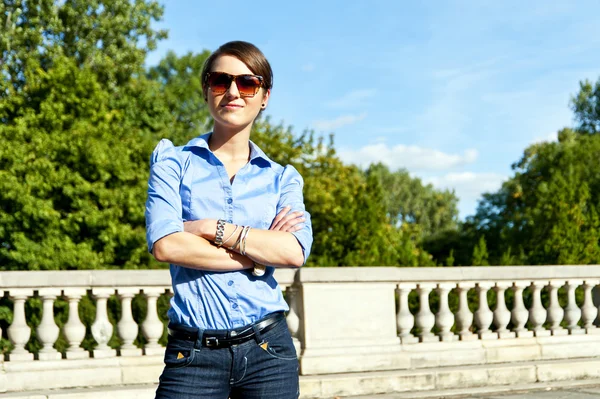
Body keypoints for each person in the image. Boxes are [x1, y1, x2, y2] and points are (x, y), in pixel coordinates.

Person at [145, 40, 313, 399]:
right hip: (193, 356)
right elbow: (166, 244)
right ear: (207, 91)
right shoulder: (172, 163)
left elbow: (293, 252)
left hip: (269, 351)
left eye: (248, 82)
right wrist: (256, 253)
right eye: (221, 81)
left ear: (264, 95)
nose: (233, 91)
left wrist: (207, 228)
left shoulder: (282, 179)